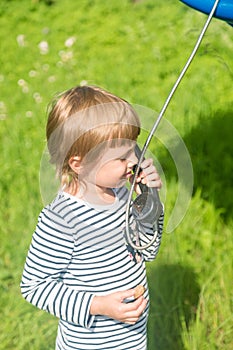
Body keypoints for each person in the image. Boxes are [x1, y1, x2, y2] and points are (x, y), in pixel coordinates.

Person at [21, 85, 164, 350]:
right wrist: (97, 305)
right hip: (90, 343)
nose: (133, 161)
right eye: (121, 157)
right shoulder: (61, 221)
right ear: (79, 163)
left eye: (133, 150)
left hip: (131, 338)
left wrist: (149, 201)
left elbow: (147, 250)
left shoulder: (120, 195)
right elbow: (34, 286)